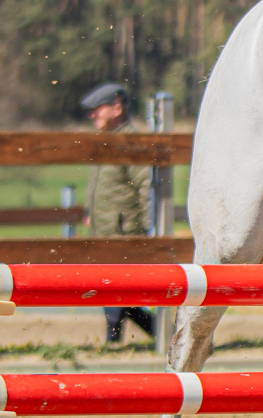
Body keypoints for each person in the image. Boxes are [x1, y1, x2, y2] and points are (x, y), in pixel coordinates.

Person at [81, 82, 155, 344]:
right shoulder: (108, 141)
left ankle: (116, 340)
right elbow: (104, 184)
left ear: (116, 108)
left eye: (97, 109)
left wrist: (149, 227)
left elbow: (145, 185)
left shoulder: (129, 142)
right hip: (105, 228)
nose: (92, 116)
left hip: (124, 230)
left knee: (114, 288)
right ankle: (156, 333)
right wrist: (91, 211)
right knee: (112, 289)